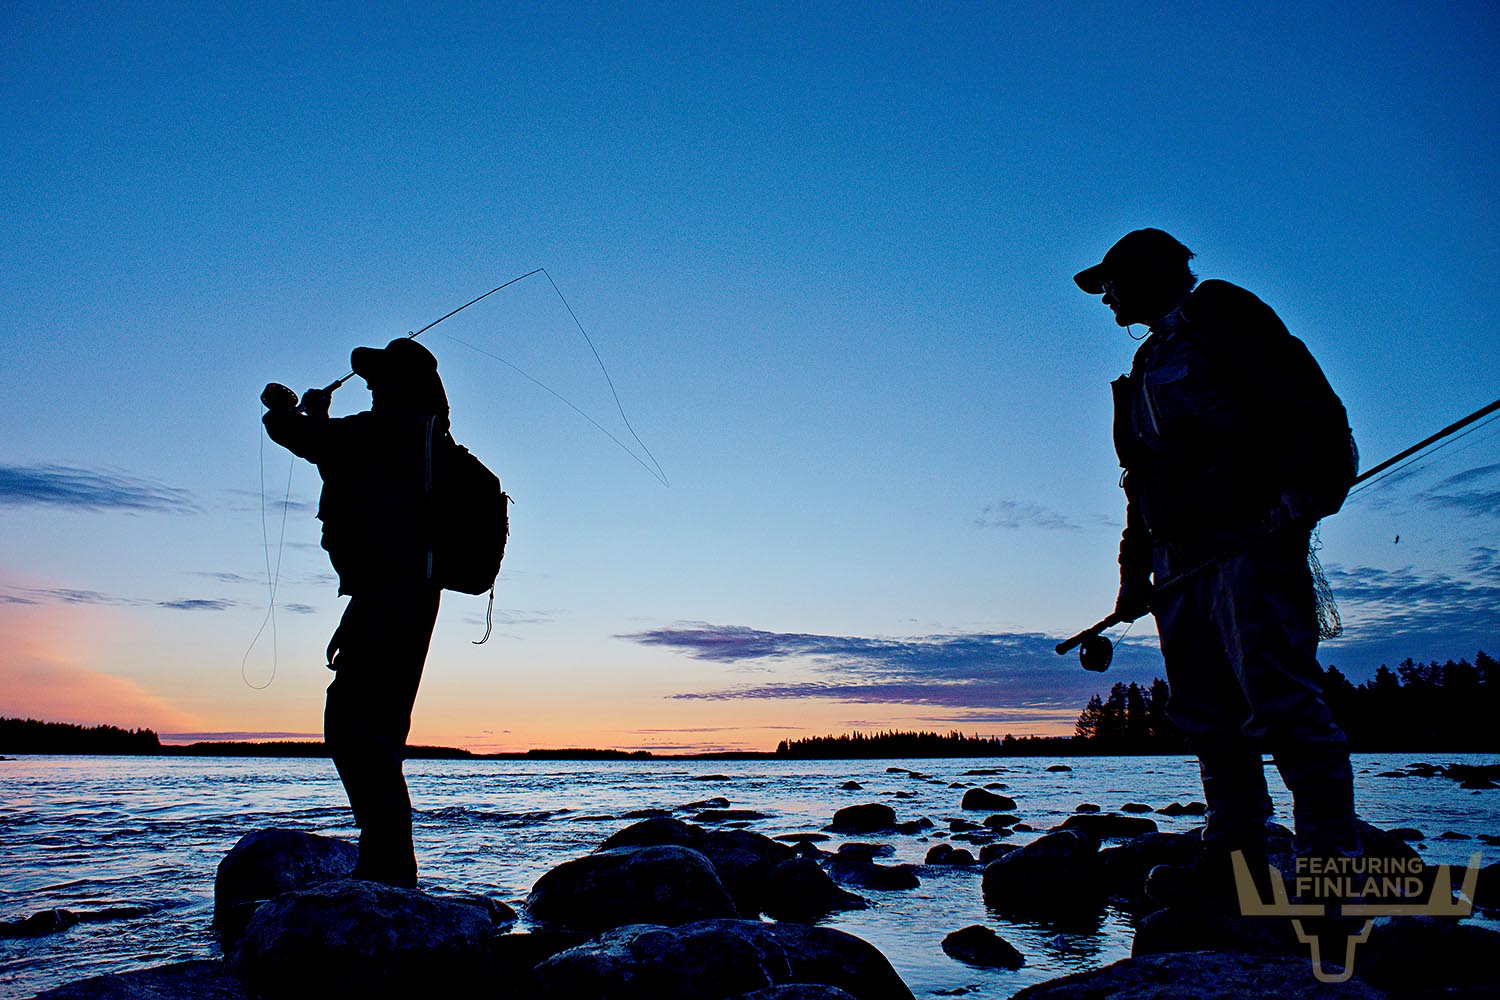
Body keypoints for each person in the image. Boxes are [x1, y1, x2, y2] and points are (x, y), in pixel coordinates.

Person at [1075, 229, 1361, 904]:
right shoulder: (1147, 361)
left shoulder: (1224, 313)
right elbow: (1140, 479)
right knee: (1205, 712)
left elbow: (1309, 409)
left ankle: (1335, 875)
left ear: (1145, 275)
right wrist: (1133, 575)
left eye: (1111, 283)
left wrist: (1300, 496)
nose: (1106, 297)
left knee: (1284, 702)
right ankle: (1233, 862)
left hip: (1249, 538)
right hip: (1179, 559)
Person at [261, 337, 449, 888]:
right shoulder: (420, 437)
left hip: (394, 593)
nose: (369, 388)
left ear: (402, 385)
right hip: (398, 591)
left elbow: (299, 436)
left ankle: (387, 868)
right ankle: (390, 864)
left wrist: (299, 411)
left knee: (354, 727)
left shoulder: (392, 430)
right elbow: (337, 456)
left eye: (377, 381)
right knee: (377, 729)